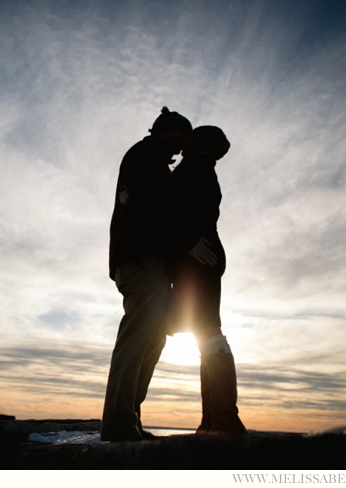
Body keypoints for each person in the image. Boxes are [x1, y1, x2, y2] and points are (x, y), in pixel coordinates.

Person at [101, 106, 195, 442]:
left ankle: (129, 420)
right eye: (183, 138)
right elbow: (156, 211)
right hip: (141, 262)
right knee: (138, 337)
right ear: (168, 131)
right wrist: (187, 243)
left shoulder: (149, 159)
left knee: (151, 338)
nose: (183, 147)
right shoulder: (146, 157)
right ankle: (118, 425)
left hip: (145, 262)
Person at [167, 125, 247, 436]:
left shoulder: (195, 168)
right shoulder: (203, 168)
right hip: (201, 261)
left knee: (210, 333)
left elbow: (179, 211)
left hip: (199, 263)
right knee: (205, 335)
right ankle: (213, 419)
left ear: (198, 143)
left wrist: (187, 241)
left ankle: (224, 418)